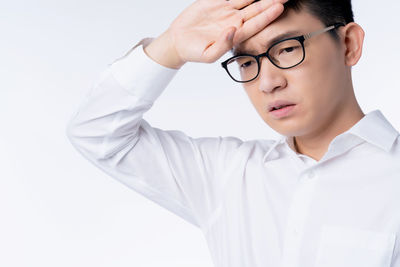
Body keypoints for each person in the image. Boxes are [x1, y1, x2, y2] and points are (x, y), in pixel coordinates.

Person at [66, 0, 400, 266]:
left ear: (349, 44)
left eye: (286, 50)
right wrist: (171, 46)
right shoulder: (229, 174)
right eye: (246, 62)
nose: (268, 83)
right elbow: (96, 133)